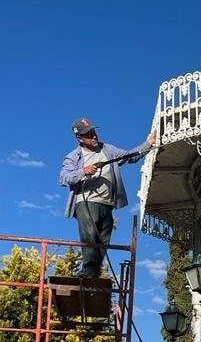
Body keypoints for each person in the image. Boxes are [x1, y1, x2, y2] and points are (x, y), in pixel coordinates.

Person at [59, 117, 157, 278]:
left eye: (93, 132)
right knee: (90, 236)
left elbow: (129, 156)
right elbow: (64, 178)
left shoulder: (108, 149)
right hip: (86, 202)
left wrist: (149, 143)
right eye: (88, 134)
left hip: (107, 204)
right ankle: (89, 270)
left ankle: (92, 272)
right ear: (79, 138)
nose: (93, 136)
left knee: (103, 240)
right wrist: (83, 171)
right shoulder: (74, 157)